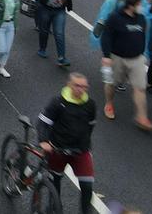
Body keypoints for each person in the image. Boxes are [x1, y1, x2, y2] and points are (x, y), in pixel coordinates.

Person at [37, 73, 97, 214]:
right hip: (58, 150)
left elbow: (90, 126)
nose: (80, 89)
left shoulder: (90, 105)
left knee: (87, 187)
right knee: (55, 181)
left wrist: (84, 142)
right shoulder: (58, 102)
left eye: (84, 87)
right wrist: (44, 142)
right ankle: (55, 208)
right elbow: (43, 123)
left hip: (81, 151)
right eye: (77, 85)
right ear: (69, 85)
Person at [35, 0, 74, 68]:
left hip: (59, 10)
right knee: (44, 30)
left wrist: (69, 6)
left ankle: (62, 57)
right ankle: (42, 49)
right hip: (46, 9)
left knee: (59, 33)